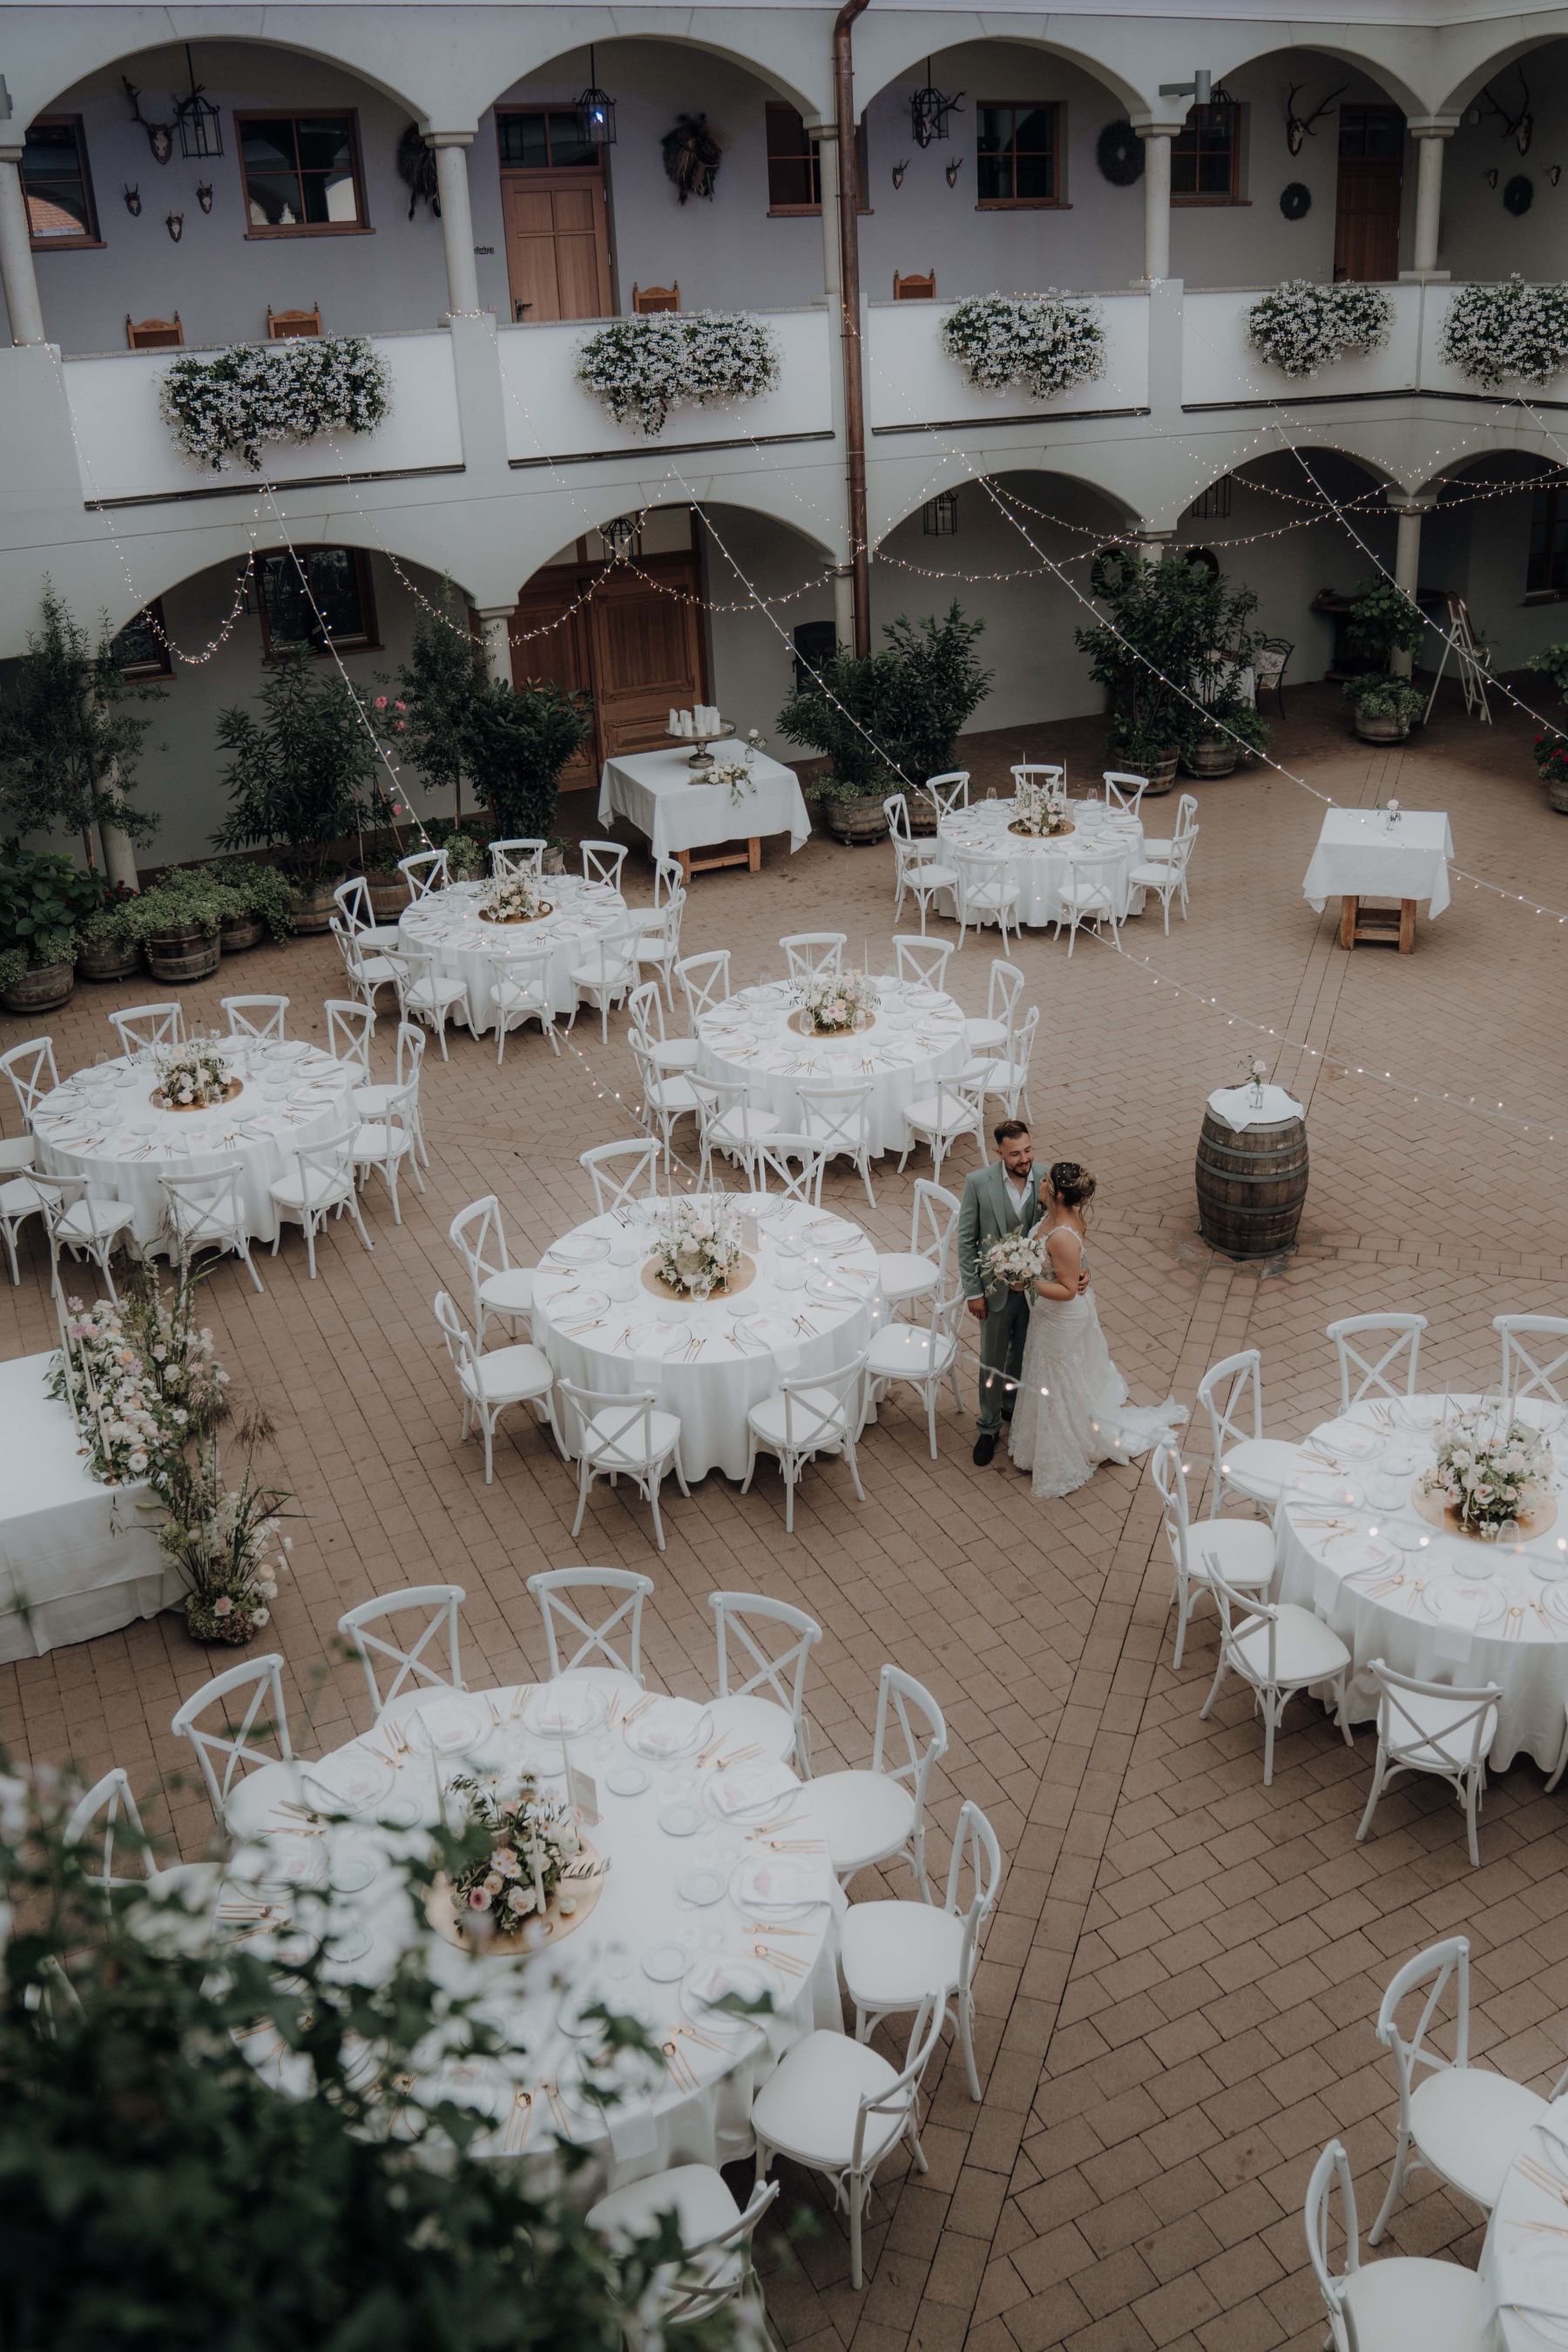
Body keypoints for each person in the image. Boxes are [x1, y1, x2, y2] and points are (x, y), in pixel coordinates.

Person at [1008, 1161, 1186, 1500]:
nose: (1040, 1184)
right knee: (1053, 1376)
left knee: (1056, 1381)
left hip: (1060, 1316)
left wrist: (1025, 1280)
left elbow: (1067, 1290)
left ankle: (1065, 1448)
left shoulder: (1062, 1236)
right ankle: (1045, 1440)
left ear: (1060, 1195)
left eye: (1045, 1182)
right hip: (1049, 1314)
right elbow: (1074, 1270)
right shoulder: (1063, 1216)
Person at [956, 1119, 1078, 1467]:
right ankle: (988, 1426)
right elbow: (966, 1241)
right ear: (999, 1153)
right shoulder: (978, 1183)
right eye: (1015, 1154)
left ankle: (1012, 1406)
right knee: (992, 1361)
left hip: (1039, 1294)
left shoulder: (1047, 1177)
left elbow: (1068, 1226)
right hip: (995, 1292)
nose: (1024, 1159)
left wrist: (1080, 1271)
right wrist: (973, 1292)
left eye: (1028, 1150)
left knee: (1024, 1352)